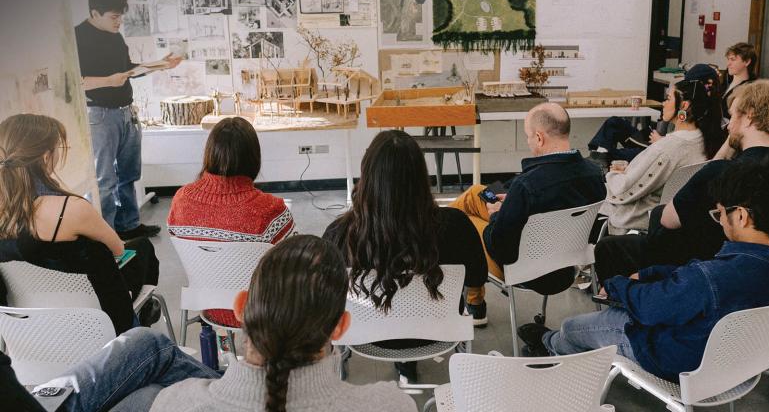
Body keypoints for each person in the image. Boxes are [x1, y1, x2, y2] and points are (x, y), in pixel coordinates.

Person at [25, 235, 417, 412]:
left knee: (146, 350)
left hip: (217, 393)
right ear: (340, 327)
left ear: (241, 307)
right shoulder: (391, 405)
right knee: (150, 349)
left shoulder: (172, 402)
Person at [518, 159, 769, 382]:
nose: (720, 220)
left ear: (742, 216)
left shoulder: (715, 278)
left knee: (574, 327)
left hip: (676, 358)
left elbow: (651, 308)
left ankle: (550, 345)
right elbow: (695, 280)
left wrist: (619, 285)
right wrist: (647, 275)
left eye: (720, 213)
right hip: (735, 361)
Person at [593, 80, 769, 285]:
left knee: (609, 247)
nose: (729, 126)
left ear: (750, 116)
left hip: (701, 271)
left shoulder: (721, 173)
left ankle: (618, 307)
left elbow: (668, 220)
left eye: (733, 116)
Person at [322, 130, 487, 381]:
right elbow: (477, 277)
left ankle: (404, 364)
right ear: (421, 176)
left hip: (367, 335)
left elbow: (326, 298)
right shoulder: (456, 226)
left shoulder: (340, 234)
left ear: (367, 175)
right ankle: (407, 363)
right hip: (437, 332)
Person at [0, 114, 159, 334]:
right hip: (98, 323)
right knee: (143, 246)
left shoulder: (6, 212)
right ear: (45, 157)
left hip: (29, 328)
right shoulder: (71, 209)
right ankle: (141, 319)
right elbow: (118, 249)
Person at [450, 103, 605, 311]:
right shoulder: (594, 174)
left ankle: (473, 300)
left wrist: (496, 216)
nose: (528, 141)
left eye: (528, 136)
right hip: (568, 266)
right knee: (477, 192)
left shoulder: (527, 186)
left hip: (524, 269)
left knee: (462, 223)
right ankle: (474, 301)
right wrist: (511, 204)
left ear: (539, 137)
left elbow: (500, 248)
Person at [168, 116, 296, 329]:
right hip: (261, 312)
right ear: (254, 158)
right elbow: (295, 261)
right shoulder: (269, 210)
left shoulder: (181, 200)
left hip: (209, 306)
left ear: (210, 154)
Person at [75, 0, 182, 239]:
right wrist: (107, 81)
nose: (119, 22)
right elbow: (73, 81)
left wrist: (160, 65)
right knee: (103, 180)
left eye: (121, 17)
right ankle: (105, 235)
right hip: (99, 115)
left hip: (126, 112)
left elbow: (128, 70)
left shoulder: (115, 37)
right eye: (114, 17)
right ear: (95, 13)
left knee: (129, 174)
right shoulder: (77, 38)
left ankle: (129, 225)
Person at [600, 76, 723, 234]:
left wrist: (613, 175)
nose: (663, 103)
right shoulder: (702, 139)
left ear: (684, 105)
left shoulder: (667, 148)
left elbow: (624, 191)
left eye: (668, 98)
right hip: (670, 216)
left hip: (640, 218)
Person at [588, 63, 720, 164]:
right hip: (659, 140)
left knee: (610, 154)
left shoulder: (701, 113)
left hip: (658, 148)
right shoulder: (691, 109)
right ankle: (599, 154)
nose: (663, 103)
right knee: (613, 122)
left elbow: (680, 145)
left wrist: (661, 142)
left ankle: (599, 156)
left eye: (668, 99)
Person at [721, 42, 757, 123]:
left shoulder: (750, 89)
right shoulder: (726, 80)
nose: (728, 64)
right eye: (728, 59)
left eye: (733, 59)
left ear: (747, 62)